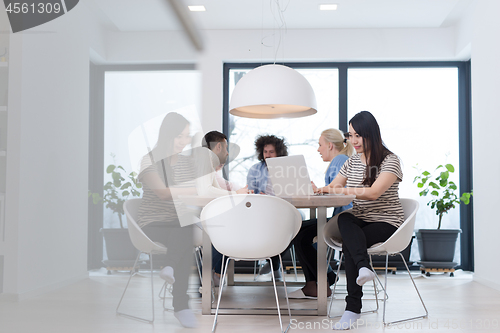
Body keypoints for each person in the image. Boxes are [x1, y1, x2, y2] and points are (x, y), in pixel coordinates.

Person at [315, 111, 404, 330]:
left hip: (388, 223)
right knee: (345, 219)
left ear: (371, 134)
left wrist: (344, 190)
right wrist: (320, 189)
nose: (353, 141)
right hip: (362, 218)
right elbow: (337, 185)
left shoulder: (390, 161)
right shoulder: (353, 160)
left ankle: (352, 309)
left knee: (350, 242)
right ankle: (364, 268)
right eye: (350, 135)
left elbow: (373, 193)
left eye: (359, 136)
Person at [137, 112, 198, 328]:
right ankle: (181, 306)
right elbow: (162, 193)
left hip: (177, 222)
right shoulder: (149, 160)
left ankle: (169, 267)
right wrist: (194, 188)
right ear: (167, 135)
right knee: (184, 235)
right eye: (179, 136)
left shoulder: (186, 163)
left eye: (187, 136)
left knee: (186, 228)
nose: (184, 141)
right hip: (151, 224)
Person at [289, 128, 354, 299]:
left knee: (300, 233)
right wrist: (319, 191)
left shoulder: (340, 159)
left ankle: (321, 281)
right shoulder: (340, 161)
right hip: (341, 217)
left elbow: (341, 192)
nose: (318, 149)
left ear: (330, 145)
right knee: (300, 231)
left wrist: (319, 191)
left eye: (320, 145)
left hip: (345, 219)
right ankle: (319, 280)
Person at [199, 131, 250, 286]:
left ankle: (212, 275)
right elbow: (205, 191)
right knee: (228, 229)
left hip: (200, 216)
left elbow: (215, 190)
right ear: (219, 146)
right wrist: (235, 193)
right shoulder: (204, 160)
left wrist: (237, 193)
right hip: (193, 220)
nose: (227, 153)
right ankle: (208, 276)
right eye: (226, 147)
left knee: (230, 225)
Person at [246, 135, 289, 280]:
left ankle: (273, 263)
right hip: (262, 210)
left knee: (298, 221)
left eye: (271, 152)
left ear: (279, 152)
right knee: (271, 224)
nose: (268, 155)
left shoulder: (288, 168)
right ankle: (275, 265)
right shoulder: (255, 169)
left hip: (284, 209)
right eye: (265, 152)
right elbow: (250, 192)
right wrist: (259, 194)